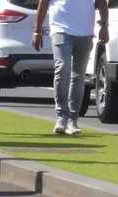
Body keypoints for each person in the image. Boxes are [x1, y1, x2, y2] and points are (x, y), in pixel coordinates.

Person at [32, 0, 108, 135]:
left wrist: (104, 26)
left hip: (85, 32)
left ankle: (73, 120)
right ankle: (61, 117)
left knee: (78, 76)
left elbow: (101, 2)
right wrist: (37, 31)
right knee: (62, 68)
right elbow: (43, 3)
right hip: (60, 29)